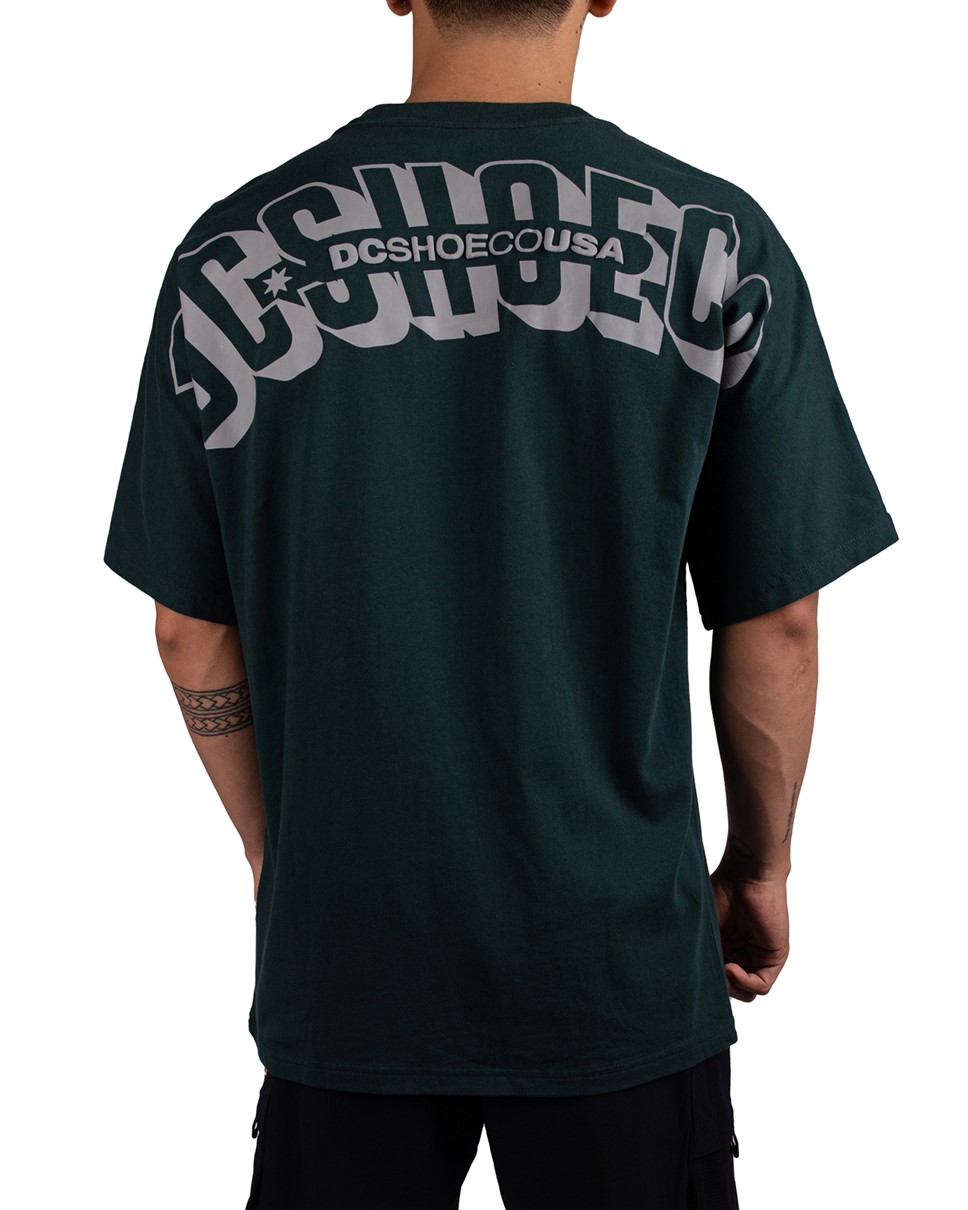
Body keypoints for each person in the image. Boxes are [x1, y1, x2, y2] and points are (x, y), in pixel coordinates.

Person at [102, 1, 899, 1206]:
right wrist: (758, 863)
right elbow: (776, 614)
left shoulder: (230, 252)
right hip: (613, 957)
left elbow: (186, 627)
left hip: (349, 954)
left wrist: (280, 850)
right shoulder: (717, 244)